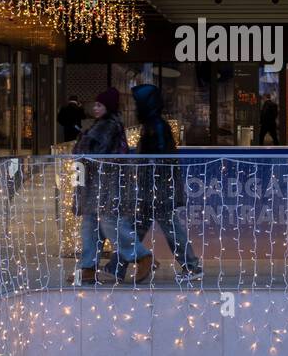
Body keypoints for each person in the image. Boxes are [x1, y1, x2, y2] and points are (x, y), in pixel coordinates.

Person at [72, 88, 146, 285]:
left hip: (105, 185)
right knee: (90, 226)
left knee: (110, 223)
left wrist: (82, 143)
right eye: (95, 105)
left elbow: (90, 153)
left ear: (109, 107)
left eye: (100, 105)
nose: (95, 108)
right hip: (94, 185)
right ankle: (87, 267)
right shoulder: (99, 126)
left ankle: (141, 256)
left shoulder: (108, 126)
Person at [130, 83, 201, 280]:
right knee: (137, 227)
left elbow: (163, 158)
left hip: (158, 189)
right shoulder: (153, 126)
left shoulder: (157, 127)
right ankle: (116, 266)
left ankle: (192, 266)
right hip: (153, 188)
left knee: (167, 228)